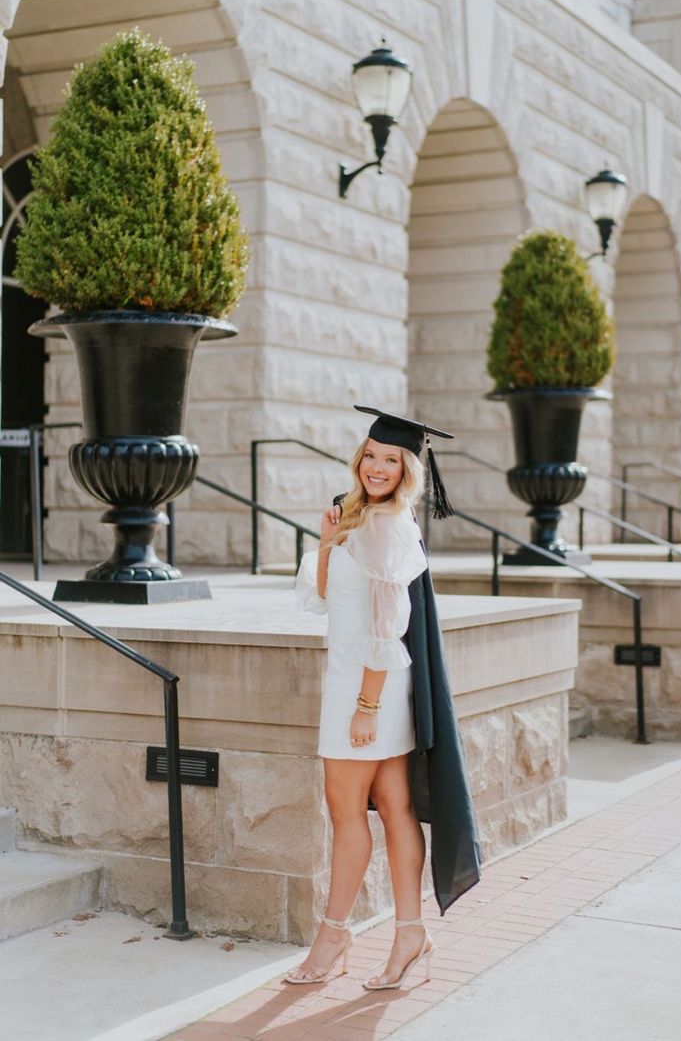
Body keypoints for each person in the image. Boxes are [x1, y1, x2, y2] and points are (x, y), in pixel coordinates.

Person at [286, 407, 480, 989]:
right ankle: (410, 934)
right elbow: (323, 598)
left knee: (347, 813)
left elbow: (386, 630)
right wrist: (326, 541)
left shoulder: (389, 527)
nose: (376, 466)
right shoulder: (358, 517)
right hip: (357, 680)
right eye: (370, 455)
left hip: (365, 686)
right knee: (393, 805)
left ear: (408, 469)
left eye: (390, 459)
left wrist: (366, 709)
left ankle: (334, 934)